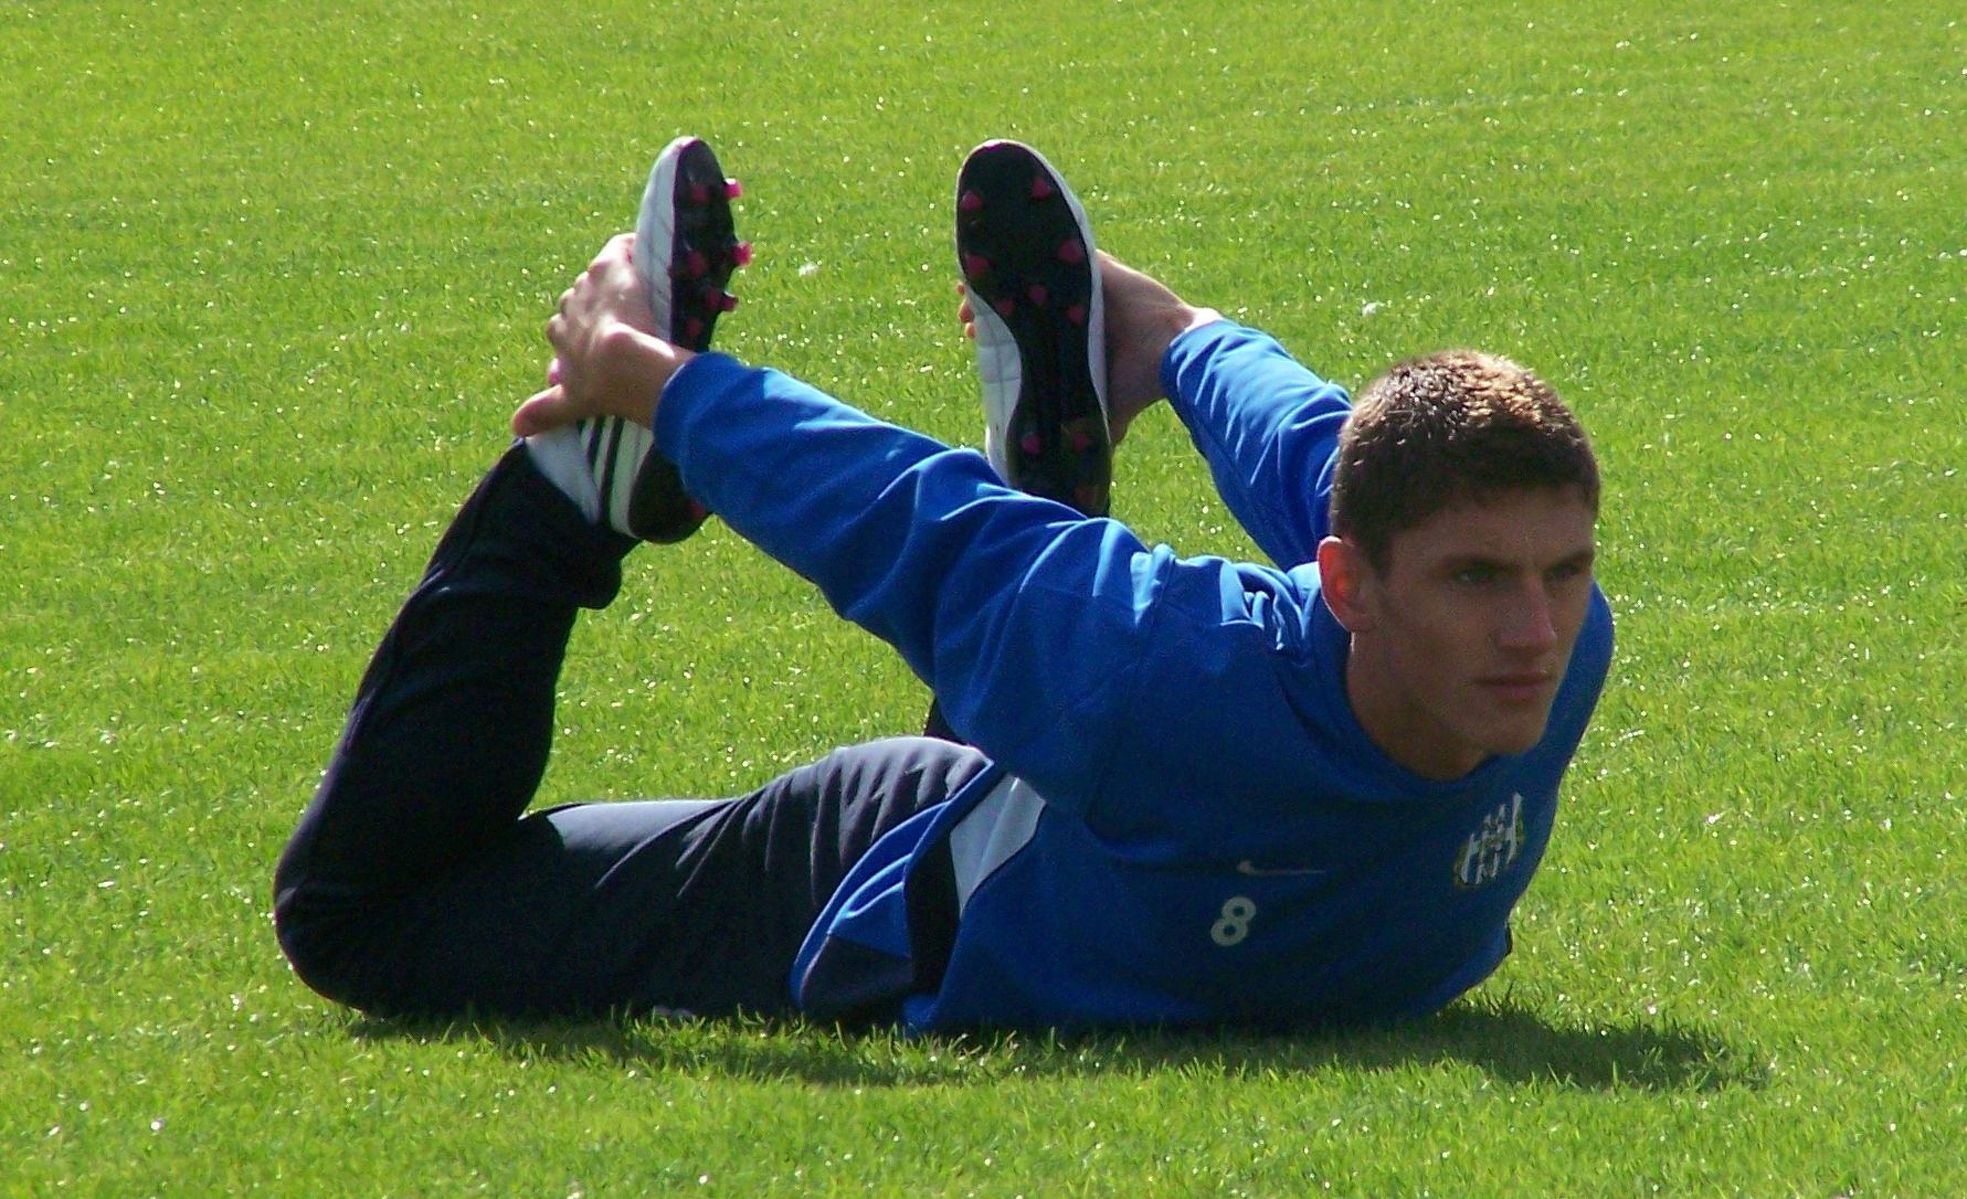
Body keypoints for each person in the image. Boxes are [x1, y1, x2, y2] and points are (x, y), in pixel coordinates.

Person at [273, 137, 1612, 1032]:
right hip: (895, 869)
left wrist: (1182, 339)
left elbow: (1327, 451)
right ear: (1348, 587)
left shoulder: (1558, 653)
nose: (1533, 629)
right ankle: (574, 496)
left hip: (1094, 811)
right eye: (1478, 578)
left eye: (1564, 572)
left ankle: (1076, 419)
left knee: (1074, 663)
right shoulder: (1172, 669)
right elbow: (910, 521)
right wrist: (660, 387)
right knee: (358, 926)